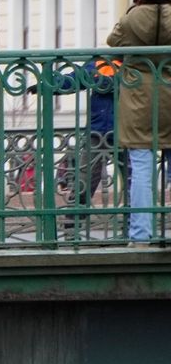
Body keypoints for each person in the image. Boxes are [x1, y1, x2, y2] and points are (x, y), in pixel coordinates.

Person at [105, 0, 171, 246]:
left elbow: (113, 42)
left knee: (142, 167)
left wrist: (135, 6)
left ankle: (140, 236)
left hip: (138, 98)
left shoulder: (132, 18)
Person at [38, 55, 118, 241]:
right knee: (83, 181)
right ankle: (71, 231)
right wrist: (49, 84)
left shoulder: (128, 64)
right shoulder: (101, 63)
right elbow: (73, 80)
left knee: (130, 182)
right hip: (99, 132)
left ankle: (132, 228)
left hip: (120, 131)